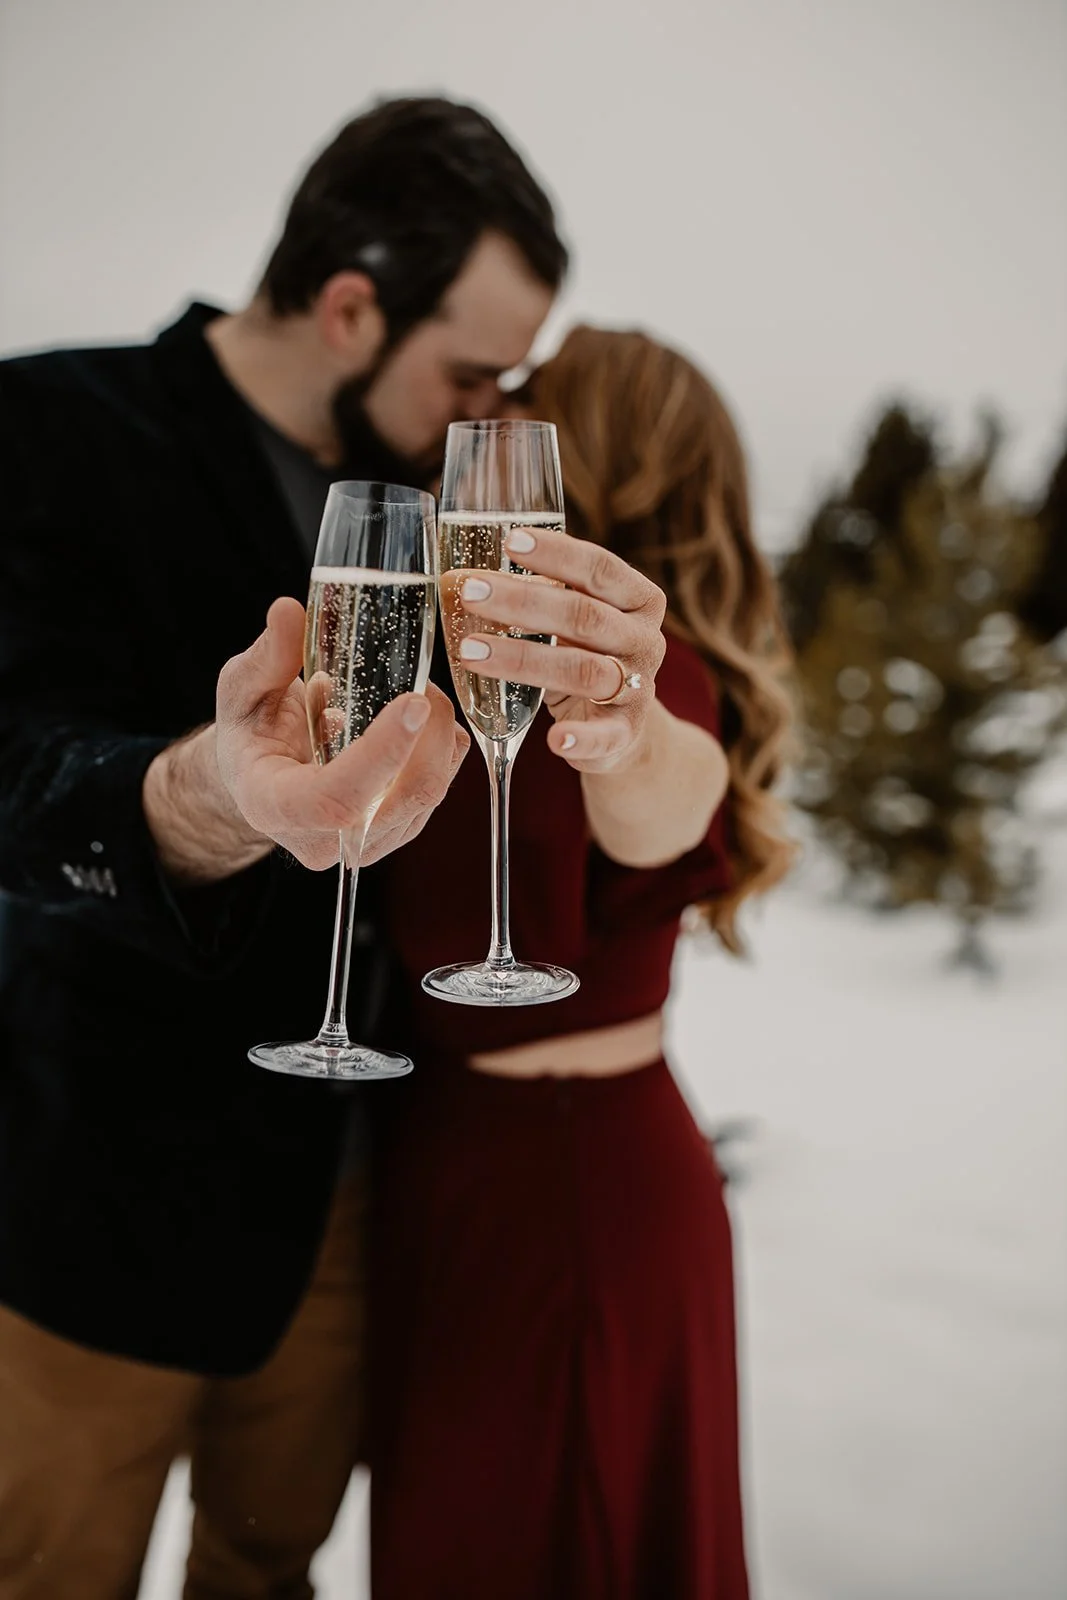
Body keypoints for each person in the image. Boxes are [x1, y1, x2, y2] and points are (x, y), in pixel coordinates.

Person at [0, 96, 565, 1599]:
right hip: (84, 1208)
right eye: (469, 372)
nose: (481, 413)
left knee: (271, 1571)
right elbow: (13, 769)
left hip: (331, 1202)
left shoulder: (445, 511)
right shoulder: (47, 426)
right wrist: (207, 793)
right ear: (348, 307)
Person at [368, 325, 795, 1599]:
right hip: (448, 1171)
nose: (495, 421)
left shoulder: (662, 684)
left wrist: (625, 727)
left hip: (575, 1186)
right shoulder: (456, 646)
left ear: (591, 459)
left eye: (534, 406)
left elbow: (674, 787)